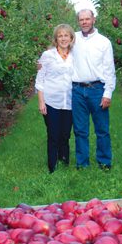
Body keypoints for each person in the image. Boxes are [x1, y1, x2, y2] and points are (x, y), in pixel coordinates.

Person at [71, 9, 116, 170]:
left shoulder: (103, 42)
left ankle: (104, 162)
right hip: (77, 90)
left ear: (93, 20)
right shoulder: (73, 39)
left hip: (97, 89)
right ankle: (82, 164)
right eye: (81, 19)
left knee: (102, 130)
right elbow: (58, 50)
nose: (84, 22)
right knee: (80, 130)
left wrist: (108, 93)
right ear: (78, 21)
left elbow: (109, 70)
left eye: (87, 19)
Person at [35, 24, 75, 173]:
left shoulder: (75, 55)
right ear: (56, 38)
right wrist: (41, 101)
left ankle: (64, 162)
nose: (63, 38)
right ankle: (52, 167)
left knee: (65, 134)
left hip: (70, 102)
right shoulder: (48, 55)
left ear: (71, 38)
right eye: (60, 35)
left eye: (66, 35)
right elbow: (40, 79)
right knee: (53, 134)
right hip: (51, 101)